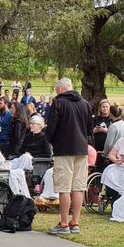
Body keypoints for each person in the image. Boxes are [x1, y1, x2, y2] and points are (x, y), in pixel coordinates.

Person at [44, 78, 92, 236]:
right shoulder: (85, 104)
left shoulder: (58, 103)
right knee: (78, 187)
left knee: (64, 188)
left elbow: (51, 128)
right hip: (81, 149)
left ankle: (64, 224)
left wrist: (50, 140)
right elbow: (89, 130)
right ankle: (75, 222)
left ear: (60, 90)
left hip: (64, 149)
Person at [90, 99, 112, 169]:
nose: (105, 109)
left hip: (107, 145)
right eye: (103, 107)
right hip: (96, 144)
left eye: (106, 107)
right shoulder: (95, 119)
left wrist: (106, 130)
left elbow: (115, 133)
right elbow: (89, 131)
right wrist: (94, 131)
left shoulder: (111, 120)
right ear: (100, 108)